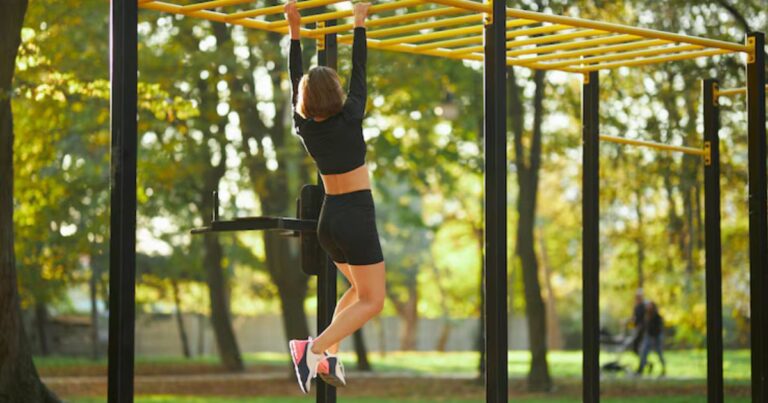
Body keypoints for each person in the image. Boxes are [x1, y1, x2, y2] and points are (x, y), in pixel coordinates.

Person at [283, 0, 386, 394]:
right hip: (356, 216)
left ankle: (327, 354)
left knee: (360, 292)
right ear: (337, 93)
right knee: (373, 301)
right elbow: (359, 72)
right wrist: (358, 22)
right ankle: (312, 347)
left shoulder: (304, 125)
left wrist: (295, 32)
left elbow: (297, 82)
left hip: (331, 219)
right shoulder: (351, 115)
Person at [636, 301, 666, 376]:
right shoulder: (646, 316)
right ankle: (641, 369)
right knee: (643, 352)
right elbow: (644, 326)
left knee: (659, 353)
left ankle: (663, 368)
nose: (648, 307)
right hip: (648, 336)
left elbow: (659, 328)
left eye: (650, 306)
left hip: (656, 337)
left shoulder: (657, 317)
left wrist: (655, 336)